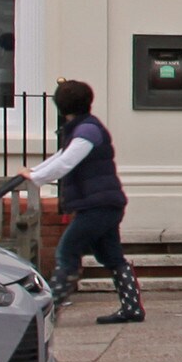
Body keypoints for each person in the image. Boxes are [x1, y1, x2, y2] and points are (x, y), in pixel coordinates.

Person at [21, 79, 142, 324]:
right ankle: (132, 308)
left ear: (60, 106)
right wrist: (34, 172)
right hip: (105, 204)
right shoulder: (84, 128)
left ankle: (47, 312)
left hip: (97, 206)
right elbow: (61, 156)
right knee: (111, 256)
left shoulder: (86, 131)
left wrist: (35, 178)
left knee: (67, 251)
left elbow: (66, 163)